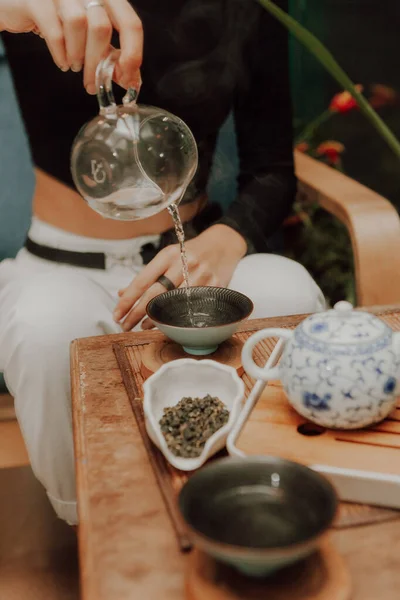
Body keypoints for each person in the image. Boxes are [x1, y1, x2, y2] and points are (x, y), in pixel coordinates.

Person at [0, 0, 325, 525]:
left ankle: (253, 501)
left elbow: (272, 170)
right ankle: (100, 526)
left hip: (197, 258)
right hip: (60, 267)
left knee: (286, 290)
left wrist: (226, 238)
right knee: (47, 327)